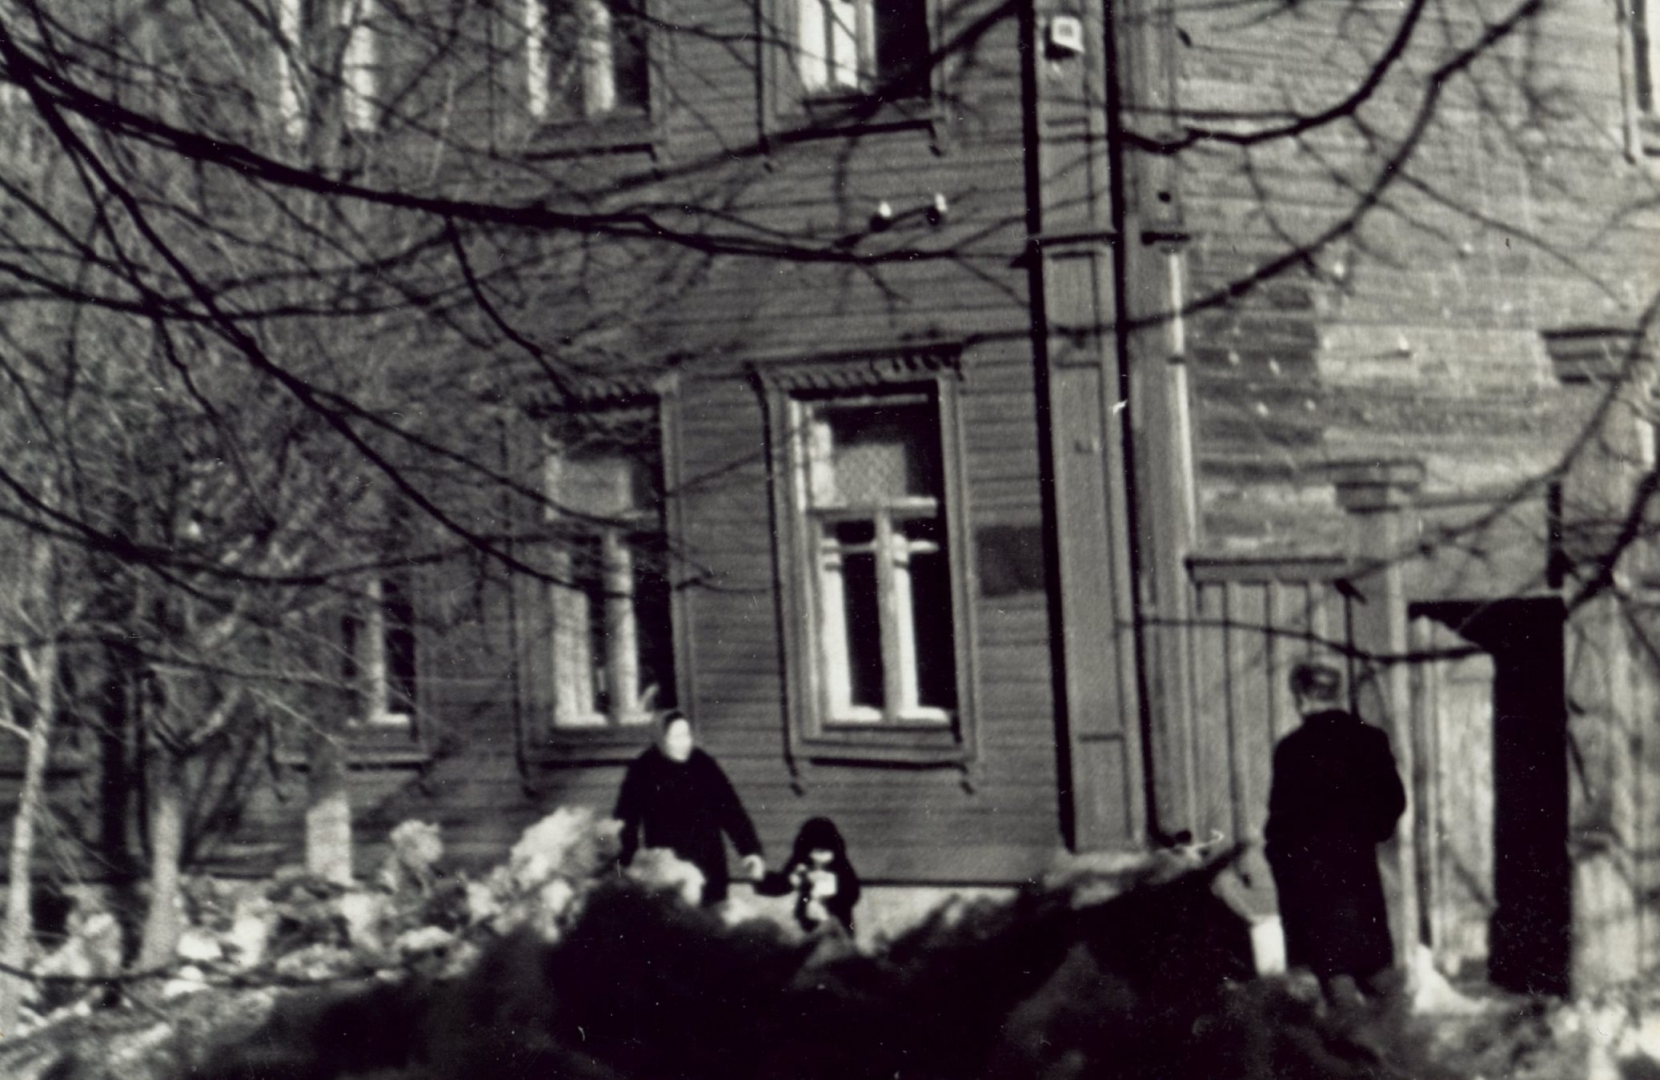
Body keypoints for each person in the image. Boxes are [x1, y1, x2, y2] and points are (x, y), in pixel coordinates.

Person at [1264, 660, 1407, 1001]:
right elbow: (1393, 802)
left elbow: (1281, 822)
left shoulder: (1293, 750)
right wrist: (1364, 834)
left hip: (1315, 881)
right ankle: (1398, 1028)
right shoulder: (1370, 739)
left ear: (1303, 697)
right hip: (1360, 873)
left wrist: (1285, 858)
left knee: (1335, 973)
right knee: (1375, 967)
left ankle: (1357, 1033)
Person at [614, 710, 766, 906]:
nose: (684, 743)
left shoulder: (703, 764)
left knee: (712, 917)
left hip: (709, 862)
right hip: (670, 868)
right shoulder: (643, 770)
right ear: (660, 738)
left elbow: (731, 810)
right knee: (675, 917)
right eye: (676, 737)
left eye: (687, 735)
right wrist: (624, 864)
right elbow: (626, 821)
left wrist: (750, 851)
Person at [757, 816, 861, 934]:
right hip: (807, 922)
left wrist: (831, 898)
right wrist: (789, 880)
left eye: (825, 852)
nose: (820, 858)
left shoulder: (841, 866)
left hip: (837, 922)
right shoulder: (801, 864)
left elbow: (853, 893)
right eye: (815, 852)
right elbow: (781, 884)